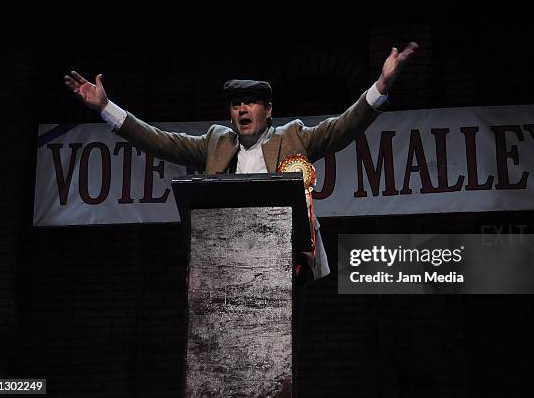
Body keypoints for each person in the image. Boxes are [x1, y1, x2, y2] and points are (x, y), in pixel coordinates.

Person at [64, 41, 418, 282]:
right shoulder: (216, 142)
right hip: (226, 255)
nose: (242, 109)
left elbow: (344, 126)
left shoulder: (293, 136)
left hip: (284, 258)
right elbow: (160, 140)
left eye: (250, 102)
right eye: (236, 104)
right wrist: (105, 108)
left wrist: (381, 86)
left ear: (268, 110)